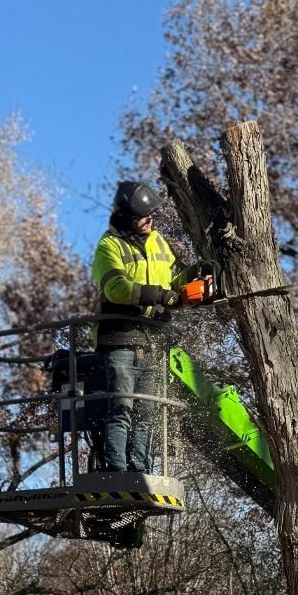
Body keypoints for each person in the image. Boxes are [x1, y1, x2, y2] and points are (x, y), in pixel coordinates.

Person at [89, 180, 210, 474]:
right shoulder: (109, 246)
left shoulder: (156, 241)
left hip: (151, 339)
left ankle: (139, 469)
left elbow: (175, 275)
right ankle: (116, 471)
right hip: (118, 338)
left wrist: (197, 274)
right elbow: (117, 288)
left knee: (147, 410)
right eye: (146, 215)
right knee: (122, 408)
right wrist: (159, 295)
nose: (151, 220)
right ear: (128, 218)